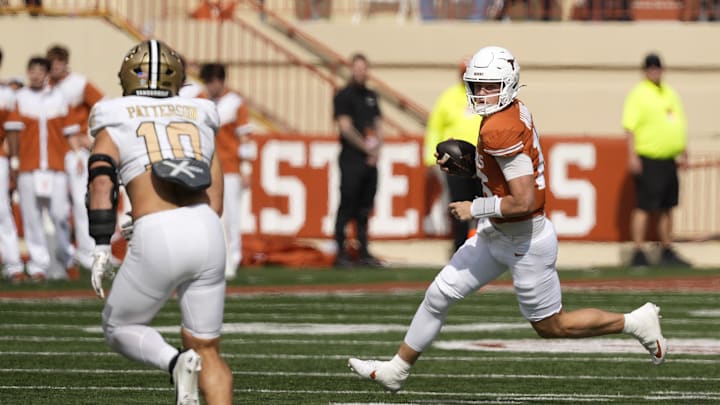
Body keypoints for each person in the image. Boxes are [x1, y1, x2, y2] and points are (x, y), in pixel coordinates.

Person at [348, 46, 667, 393]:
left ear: (509, 84)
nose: (482, 94)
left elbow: (525, 200)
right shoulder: (508, 113)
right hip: (496, 236)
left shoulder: (500, 127)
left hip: (524, 241)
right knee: (438, 295)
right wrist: (474, 167)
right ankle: (398, 369)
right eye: (478, 86)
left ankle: (635, 322)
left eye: (490, 86)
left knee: (551, 326)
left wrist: (476, 208)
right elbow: (509, 178)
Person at [86, 40, 233, 404]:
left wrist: (103, 244)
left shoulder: (114, 114)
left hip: (160, 232)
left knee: (119, 326)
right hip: (208, 230)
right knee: (209, 350)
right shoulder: (200, 113)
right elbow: (215, 200)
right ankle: (190, 362)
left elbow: (102, 180)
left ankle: (174, 362)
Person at [4, 56, 81, 282]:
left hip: (56, 165)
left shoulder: (60, 97)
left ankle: (66, 257)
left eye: (40, 70)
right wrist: (15, 160)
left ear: (47, 73)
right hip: (29, 164)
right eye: (32, 70)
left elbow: (70, 131)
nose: (36, 74)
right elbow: (14, 131)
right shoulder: (20, 98)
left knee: (59, 214)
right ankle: (38, 265)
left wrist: (77, 155)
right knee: (31, 216)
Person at [623, 53, 691, 268]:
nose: (654, 71)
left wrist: (683, 149)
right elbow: (630, 127)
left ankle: (666, 247)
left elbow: (677, 122)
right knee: (644, 205)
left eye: (657, 68)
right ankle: (638, 250)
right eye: (651, 68)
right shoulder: (639, 94)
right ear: (645, 71)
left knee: (667, 206)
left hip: (668, 158)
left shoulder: (669, 93)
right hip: (649, 157)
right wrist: (632, 155)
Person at [193, 62, 254, 280]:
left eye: (211, 82)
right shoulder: (199, 100)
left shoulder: (235, 103)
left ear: (220, 81)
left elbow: (245, 137)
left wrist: (246, 168)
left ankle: (234, 258)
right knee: (210, 215)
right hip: (207, 166)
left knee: (232, 216)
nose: (209, 87)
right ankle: (214, 258)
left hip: (229, 166)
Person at [46, 44, 105, 270]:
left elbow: (103, 105)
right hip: (53, 151)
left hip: (74, 151)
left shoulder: (79, 83)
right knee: (56, 207)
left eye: (60, 61)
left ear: (66, 62)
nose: (56, 66)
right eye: (53, 61)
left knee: (81, 202)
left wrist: (89, 136)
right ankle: (62, 255)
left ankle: (87, 253)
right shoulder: (45, 86)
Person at [424, 59, 483, 253]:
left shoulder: (482, 94)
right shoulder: (449, 97)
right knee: (458, 204)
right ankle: (459, 247)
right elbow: (435, 127)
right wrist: (430, 158)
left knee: (483, 205)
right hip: (456, 163)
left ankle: (483, 247)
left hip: (482, 161)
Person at [333, 53, 383, 268]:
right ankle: (341, 251)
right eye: (357, 68)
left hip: (370, 161)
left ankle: (363, 251)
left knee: (365, 207)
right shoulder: (344, 95)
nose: (361, 72)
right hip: (352, 159)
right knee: (347, 204)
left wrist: (377, 149)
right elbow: (345, 127)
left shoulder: (371, 95)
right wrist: (367, 149)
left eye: (364, 68)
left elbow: (378, 123)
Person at [0, 47, 25, 283]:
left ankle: (14, 264)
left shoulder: (6, 95)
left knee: (2, 211)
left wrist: (14, 162)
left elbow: (14, 132)